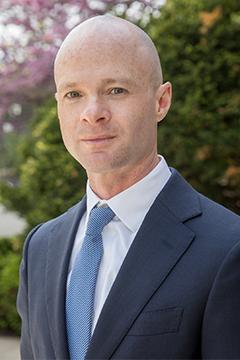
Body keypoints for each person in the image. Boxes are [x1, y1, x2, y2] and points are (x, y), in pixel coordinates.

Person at [17, 15, 240, 360]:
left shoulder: (228, 247)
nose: (93, 113)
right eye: (74, 93)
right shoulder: (40, 248)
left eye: (115, 90)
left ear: (160, 101)